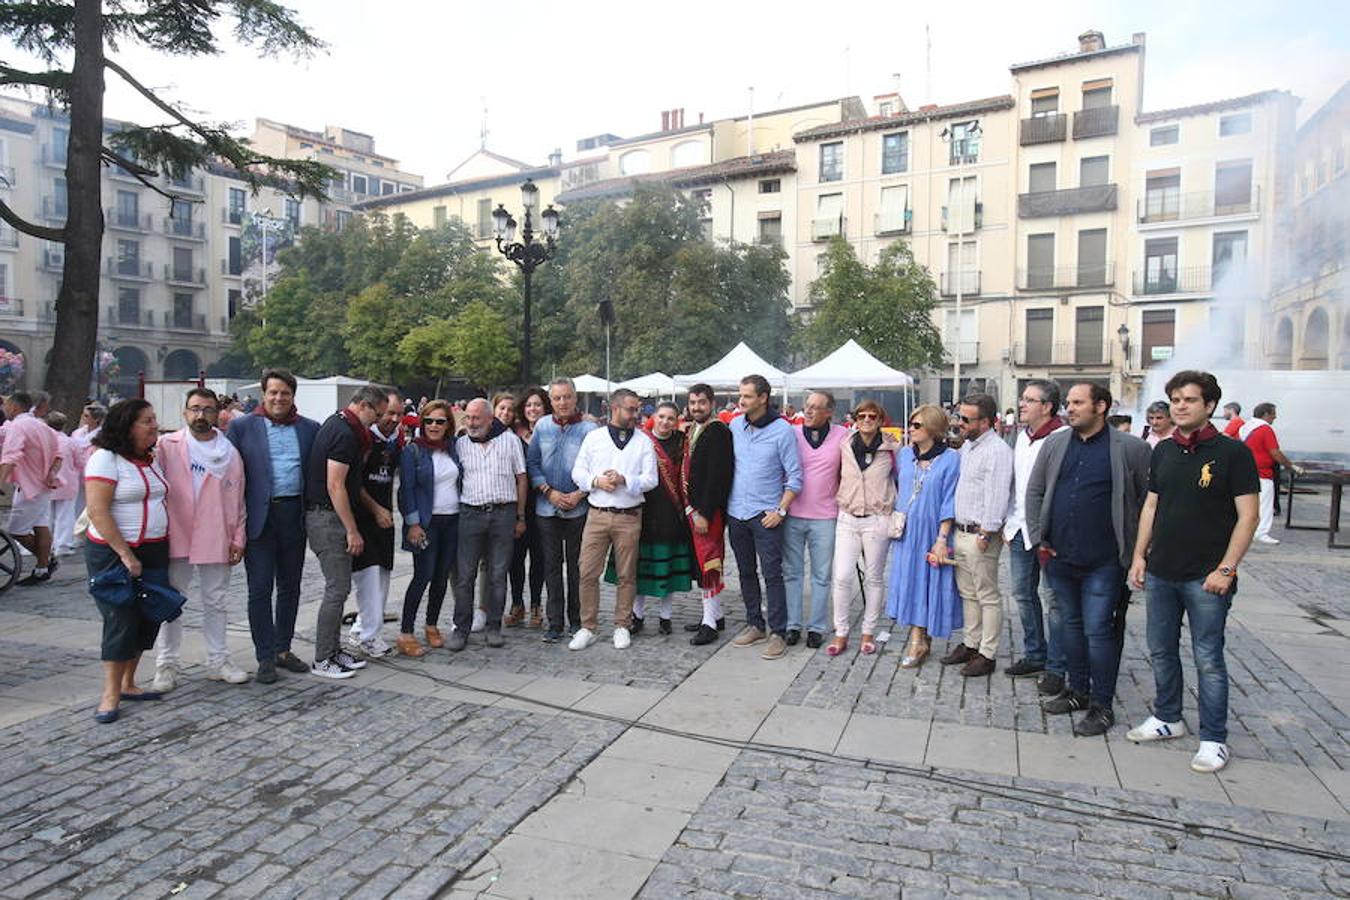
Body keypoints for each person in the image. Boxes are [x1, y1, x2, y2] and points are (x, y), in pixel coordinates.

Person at [1127, 370, 1259, 774]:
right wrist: (1139, 556)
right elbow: (1151, 506)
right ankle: (1168, 717)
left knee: (1208, 657)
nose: (1180, 406)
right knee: (1161, 649)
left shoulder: (1232, 453)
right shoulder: (1163, 451)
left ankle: (1214, 739)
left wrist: (1226, 568)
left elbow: (1248, 516)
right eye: (1175, 400)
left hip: (1207, 576)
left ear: (1210, 406)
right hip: (1163, 570)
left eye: (1189, 400)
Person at [1026, 383, 1151, 736]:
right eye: (1068, 403)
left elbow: (1147, 502)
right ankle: (1077, 691)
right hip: (1059, 555)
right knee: (1070, 627)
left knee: (1099, 631)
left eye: (1078, 403)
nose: (1070, 409)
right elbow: (1035, 492)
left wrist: (1138, 551)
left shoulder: (1131, 449)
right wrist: (1039, 541)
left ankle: (1102, 704)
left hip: (1105, 560)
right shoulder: (1054, 443)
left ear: (1101, 407)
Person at [227, 368, 321, 684]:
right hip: (259, 519)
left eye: (285, 393)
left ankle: (283, 648)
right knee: (260, 588)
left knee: (290, 587)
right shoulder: (242, 428)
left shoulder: (309, 429)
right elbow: (230, 477)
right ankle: (264, 655)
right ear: (264, 395)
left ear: (293, 396)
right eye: (273, 392)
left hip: (294, 515)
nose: (279, 398)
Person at [153, 388, 249, 689]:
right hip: (176, 531)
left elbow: (238, 500)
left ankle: (217, 659)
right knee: (170, 600)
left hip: (215, 532)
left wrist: (238, 537)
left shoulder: (230, 452)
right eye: (195, 409)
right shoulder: (166, 446)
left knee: (216, 601)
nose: (200, 415)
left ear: (217, 413)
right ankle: (166, 663)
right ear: (185, 412)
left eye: (207, 409)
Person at [83, 399, 170, 723]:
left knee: (149, 617)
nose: (154, 425)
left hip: (154, 547)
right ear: (127, 425)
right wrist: (124, 554)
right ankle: (110, 693)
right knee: (120, 619)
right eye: (147, 420)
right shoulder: (105, 459)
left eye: (154, 418)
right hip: (114, 552)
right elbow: (98, 511)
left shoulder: (150, 459)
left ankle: (130, 682)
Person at [307, 385, 388, 679]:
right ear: (364, 406)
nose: (376, 422)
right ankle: (322, 658)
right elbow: (335, 485)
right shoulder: (344, 433)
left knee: (339, 589)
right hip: (327, 519)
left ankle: (332, 650)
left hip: (329, 516)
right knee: (337, 589)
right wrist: (352, 529)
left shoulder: (340, 424)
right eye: (376, 415)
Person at [569, 389, 658, 651]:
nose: (635, 414)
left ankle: (622, 624)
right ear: (615, 408)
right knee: (587, 571)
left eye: (637, 409)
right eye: (630, 409)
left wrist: (625, 480)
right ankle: (588, 626)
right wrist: (596, 481)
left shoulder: (643, 441)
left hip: (628, 515)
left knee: (626, 574)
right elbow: (578, 471)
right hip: (597, 514)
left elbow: (651, 479)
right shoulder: (594, 437)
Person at [727, 374, 802, 661]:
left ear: (763, 398)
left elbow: (795, 477)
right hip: (737, 512)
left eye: (746, 396)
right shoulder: (735, 425)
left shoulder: (783, 431)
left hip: (765, 515)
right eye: (740, 394)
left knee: (772, 574)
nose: (740, 400)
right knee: (745, 572)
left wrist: (780, 510)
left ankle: (778, 632)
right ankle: (754, 623)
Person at [940, 393, 1014, 677]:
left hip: (980, 534)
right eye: (960, 417)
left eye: (966, 419)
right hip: (962, 530)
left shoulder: (997, 451)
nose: (960, 424)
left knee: (987, 595)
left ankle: (988, 652)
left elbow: (997, 495)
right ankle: (971, 643)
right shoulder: (969, 447)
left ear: (986, 422)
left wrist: (986, 532)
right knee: (968, 593)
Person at [1002, 380, 1068, 694]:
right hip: (1018, 529)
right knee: (1022, 594)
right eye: (1023, 399)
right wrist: (1007, 521)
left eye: (1030, 400)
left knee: (1054, 600)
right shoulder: (1021, 437)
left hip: (1048, 533)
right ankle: (1035, 653)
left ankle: (1058, 665)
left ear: (1048, 406)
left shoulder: (1062, 438)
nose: (1023, 404)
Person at [606, 401, 692, 635]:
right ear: (653, 416)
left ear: (677, 421)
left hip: (671, 512)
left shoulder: (682, 442)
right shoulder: (641, 440)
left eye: (670, 418)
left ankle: (666, 616)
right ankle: (637, 614)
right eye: (662, 417)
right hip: (643, 507)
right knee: (639, 567)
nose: (665, 422)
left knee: (668, 567)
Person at [885, 404, 961, 666]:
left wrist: (942, 539)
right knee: (911, 582)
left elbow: (950, 499)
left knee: (930, 584)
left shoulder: (951, 459)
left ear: (932, 428)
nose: (910, 429)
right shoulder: (905, 455)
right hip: (907, 532)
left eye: (917, 425)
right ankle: (918, 639)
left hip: (933, 531)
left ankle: (920, 640)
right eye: (910, 423)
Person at [450, 398, 527, 651]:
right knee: (465, 575)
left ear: (490, 419)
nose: (471, 423)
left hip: (503, 514)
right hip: (470, 514)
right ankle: (461, 628)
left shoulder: (510, 441)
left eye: (476, 418)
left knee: (497, 574)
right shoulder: (460, 445)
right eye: (468, 418)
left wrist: (520, 516)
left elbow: (521, 479)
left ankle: (494, 626)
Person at [527, 378, 598, 643]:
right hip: (547, 508)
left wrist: (579, 494)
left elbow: (596, 467)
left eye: (567, 397)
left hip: (578, 508)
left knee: (578, 568)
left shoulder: (590, 429)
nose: (562, 403)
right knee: (551, 567)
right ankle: (554, 622)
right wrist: (549, 491)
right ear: (551, 400)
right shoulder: (543, 426)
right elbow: (532, 463)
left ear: (575, 398)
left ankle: (577, 620)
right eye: (557, 398)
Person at [828, 399, 898, 656]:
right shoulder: (844, 444)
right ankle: (841, 632)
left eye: (872, 416)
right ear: (855, 419)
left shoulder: (892, 447)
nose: (867, 420)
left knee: (874, 577)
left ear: (880, 420)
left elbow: (901, 477)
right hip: (847, 516)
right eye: (862, 416)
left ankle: (868, 632)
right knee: (842, 576)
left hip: (877, 518)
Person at [782, 391, 847, 649]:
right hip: (793, 514)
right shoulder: (792, 434)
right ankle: (792, 624)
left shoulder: (843, 435)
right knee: (792, 572)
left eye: (816, 408)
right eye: (807, 406)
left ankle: (817, 626)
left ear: (829, 412)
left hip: (825, 516)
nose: (808, 411)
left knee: (821, 575)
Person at [396, 399, 461, 657]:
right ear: (422, 423)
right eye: (429, 421)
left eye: (440, 421)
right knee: (423, 575)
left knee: (442, 576)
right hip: (426, 523)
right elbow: (406, 490)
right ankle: (406, 631)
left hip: (452, 520)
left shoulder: (454, 449)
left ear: (448, 425)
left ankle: (431, 624)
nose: (434, 426)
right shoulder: (413, 451)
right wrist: (412, 523)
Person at [348, 388, 403, 658]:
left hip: (385, 518)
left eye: (398, 414)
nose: (393, 419)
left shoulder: (395, 441)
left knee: (381, 576)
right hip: (364, 518)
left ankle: (363, 627)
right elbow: (352, 483)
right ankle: (368, 633)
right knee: (368, 578)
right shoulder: (363, 439)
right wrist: (375, 508)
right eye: (388, 413)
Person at [681, 383, 735, 646]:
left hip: (707, 511)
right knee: (703, 562)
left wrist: (704, 512)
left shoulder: (718, 431)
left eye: (701, 402)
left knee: (709, 563)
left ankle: (709, 624)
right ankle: (716, 614)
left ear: (711, 403)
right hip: (696, 509)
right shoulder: (694, 429)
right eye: (692, 403)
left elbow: (718, 476)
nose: (696, 407)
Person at [0, 391, 61, 585]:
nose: (4, 409)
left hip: (29, 486)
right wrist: (51, 472)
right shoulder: (41, 425)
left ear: (14, 407)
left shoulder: (19, 426)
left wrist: (0, 480)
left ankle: (46, 561)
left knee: (16, 530)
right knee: (41, 525)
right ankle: (43, 567)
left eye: (6, 406)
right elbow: (59, 454)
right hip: (42, 483)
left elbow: (11, 456)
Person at [507, 388, 550, 628]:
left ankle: (535, 604)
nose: (533, 409)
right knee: (515, 557)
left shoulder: (550, 433)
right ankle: (516, 604)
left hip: (542, 503)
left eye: (538, 405)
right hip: (517, 504)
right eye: (529, 405)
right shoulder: (514, 435)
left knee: (539, 558)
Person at [1239, 403, 1302, 545]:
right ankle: (1261, 533)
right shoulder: (1265, 429)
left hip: (1247, 470)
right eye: (1273, 413)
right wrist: (1291, 466)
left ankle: (1247, 530)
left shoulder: (1245, 427)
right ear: (1266, 414)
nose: (1275, 417)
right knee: (1265, 504)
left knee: (1249, 504)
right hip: (1263, 472)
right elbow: (1274, 452)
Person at [45, 411, 80, 557]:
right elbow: (80, 462)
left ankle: (46, 544)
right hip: (68, 482)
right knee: (65, 515)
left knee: (46, 516)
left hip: (46, 481)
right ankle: (62, 545)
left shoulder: (45, 440)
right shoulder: (70, 442)